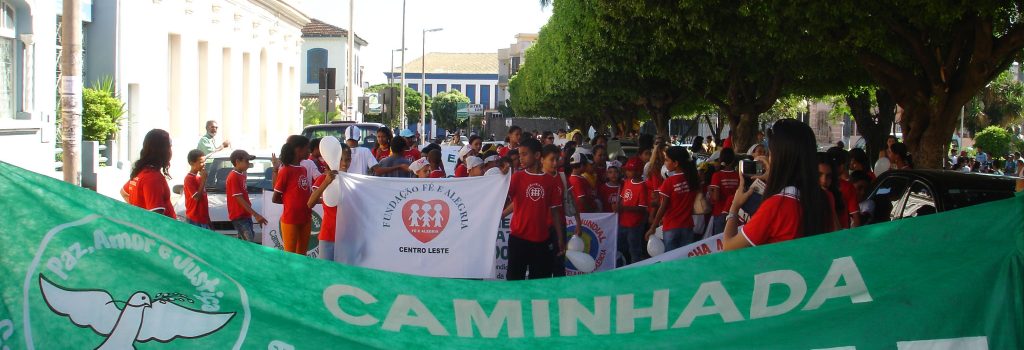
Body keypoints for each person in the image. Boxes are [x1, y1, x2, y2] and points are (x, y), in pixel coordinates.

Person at [722, 119, 833, 250]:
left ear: (779, 157)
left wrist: (734, 207)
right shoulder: (824, 197)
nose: (768, 158)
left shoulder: (777, 205)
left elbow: (729, 247)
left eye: (769, 153)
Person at [502, 138, 566, 280]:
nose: (521, 158)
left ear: (537, 156)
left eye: (524, 154)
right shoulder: (517, 177)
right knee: (514, 280)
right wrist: (503, 176)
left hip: (542, 240)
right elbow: (503, 197)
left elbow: (555, 212)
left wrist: (560, 238)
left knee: (539, 282)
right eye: (520, 155)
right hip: (518, 239)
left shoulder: (550, 181)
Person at [645, 146, 700, 250]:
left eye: (666, 160)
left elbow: (663, 207)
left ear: (675, 163)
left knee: (671, 260)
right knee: (685, 257)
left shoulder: (669, 182)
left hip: (671, 227)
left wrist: (653, 227)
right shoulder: (693, 179)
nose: (665, 163)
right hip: (688, 226)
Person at [308, 144, 351, 261]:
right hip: (328, 235)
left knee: (346, 275)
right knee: (326, 274)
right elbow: (310, 203)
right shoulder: (324, 178)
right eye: (340, 159)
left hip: (348, 237)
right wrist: (326, 182)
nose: (344, 163)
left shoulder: (353, 181)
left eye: (347, 159)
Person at [121, 129, 177, 219]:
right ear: (163, 151)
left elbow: (123, 192)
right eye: (170, 147)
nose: (171, 151)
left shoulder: (141, 172)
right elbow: (156, 218)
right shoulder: (153, 178)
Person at [273, 136, 314, 255]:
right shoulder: (285, 170)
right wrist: (291, 202)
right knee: (289, 255)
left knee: (302, 254)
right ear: (298, 150)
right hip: (290, 219)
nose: (309, 151)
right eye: (307, 148)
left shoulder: (303, 169)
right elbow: (275, 197)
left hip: (306, 217)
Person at [226, 149, 268, 241]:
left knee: (245, 241)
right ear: (237, 162)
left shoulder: (241, 174)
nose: (248, 164)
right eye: (246, 161)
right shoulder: (233, 176)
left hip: (244, 215)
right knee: (249, 241)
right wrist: (256, 215)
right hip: (239, 216)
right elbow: (239, 198)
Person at [617, 158, 649, 264]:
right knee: (621, 247)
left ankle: (636, 267)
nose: (627, 172)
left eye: (630, 170)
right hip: (623, 222)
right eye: (627, 170)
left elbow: (642, 208)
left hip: (634, 224)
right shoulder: (627, 182)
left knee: (634, 249)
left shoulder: (642, 186)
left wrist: (623, 208)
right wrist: (618, 206)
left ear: (639, 172)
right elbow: (622, 198)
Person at [828, 147, 861, 228]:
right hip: (842, 235)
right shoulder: (847, 187)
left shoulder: (817, 185)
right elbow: (856, 219)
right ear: (842, 166)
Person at [709, 148, 740, 235]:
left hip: (719, 213)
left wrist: (710, 191)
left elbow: (715, 197)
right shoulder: (738, 175)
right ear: (733, 160)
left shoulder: (717, 175)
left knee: (719, 241)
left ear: (720, 159)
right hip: (734, 213)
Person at [183, 149, 211, 229]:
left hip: (203, 218)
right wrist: (203, 180)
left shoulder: (198, 178)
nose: (204, 164)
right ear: (192, 163)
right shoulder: (189, 178)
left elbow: (203, 200)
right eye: (201, 162)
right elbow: (197, 197)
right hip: (194, 218)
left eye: (204, 161)